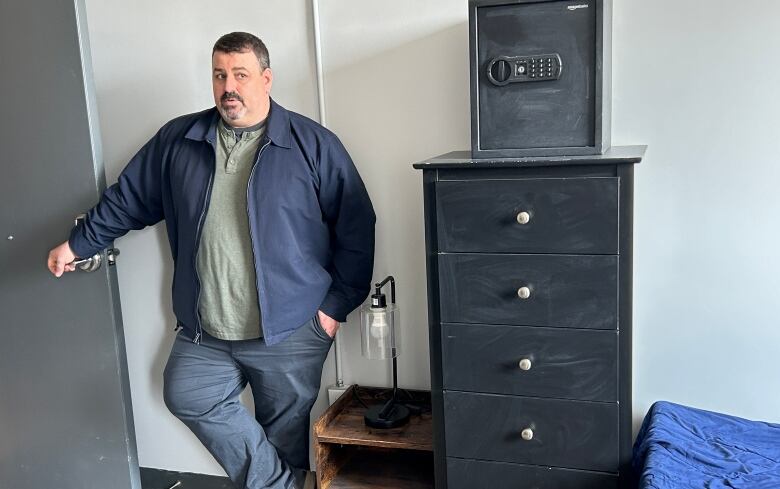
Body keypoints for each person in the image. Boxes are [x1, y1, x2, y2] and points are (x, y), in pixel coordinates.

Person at [46, 32, 375, 489]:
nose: (228, 87)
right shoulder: (179, 140)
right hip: (207, 328)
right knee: (186, 393)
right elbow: (129, 200)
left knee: (283, 432)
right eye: (219, 75)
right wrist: (80, 243)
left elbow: (357, 226)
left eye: (240, 75)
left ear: (266, 78)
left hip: (292, 326)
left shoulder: (311, 144)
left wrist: (333, 308)